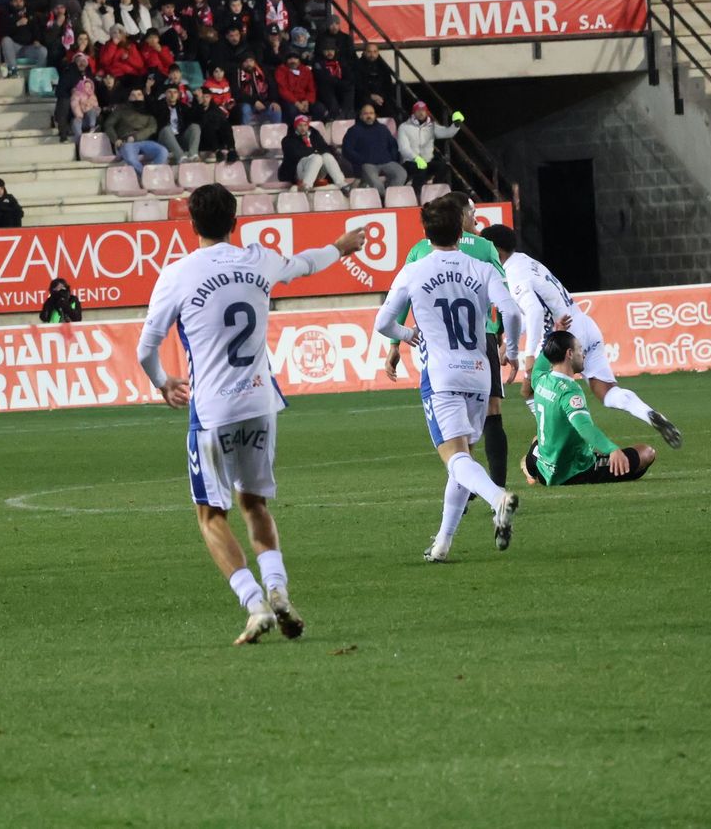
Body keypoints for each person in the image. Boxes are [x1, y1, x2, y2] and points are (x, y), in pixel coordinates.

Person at [136, 184, 366, 645]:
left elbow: (146, 348)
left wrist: (164, 382)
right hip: (261, 403)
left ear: (191, 224)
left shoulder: (178, 273)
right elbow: (306, 263)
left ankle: (255, 603)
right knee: (254, 502)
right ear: (235, 221)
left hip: (214, 409)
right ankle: (278, 588)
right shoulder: (259, 259)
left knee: (210, 514)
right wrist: (342, 246)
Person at [376, 197, 525, 561]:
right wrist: (514, 352)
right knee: (463, 460)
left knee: (454, 459)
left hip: (440, 376)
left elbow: (382, 323)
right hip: (478, 374)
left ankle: (497, 497)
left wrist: (406, 334)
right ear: (462, 230)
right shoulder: (481, 267)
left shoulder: (415, 270)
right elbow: (511, 311)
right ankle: (442, 544)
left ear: (426, 234)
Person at [482, 224, 682, 450]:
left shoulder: (512, 271)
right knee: (606, 391)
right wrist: (509, 342)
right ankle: (648, 413)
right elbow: (535, 312)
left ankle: (549, 439)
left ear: (496, 250)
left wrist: (528, 357)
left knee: (529, 390)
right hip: (584, 324)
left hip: (563, 335)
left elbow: (536, 312)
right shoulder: (526, 261)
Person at [523, 330, 658, 486]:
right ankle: (553, 471)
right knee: (646, 452)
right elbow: (584, 428)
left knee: (538, 438)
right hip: (571, 472)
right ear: (569, 353)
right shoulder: (569, 391)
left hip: (541, 464)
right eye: (580, 350)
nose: (584, 355)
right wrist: (612, 449)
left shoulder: (540, 378)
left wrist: (555, 334)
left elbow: (544, 357)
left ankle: (530, 469)